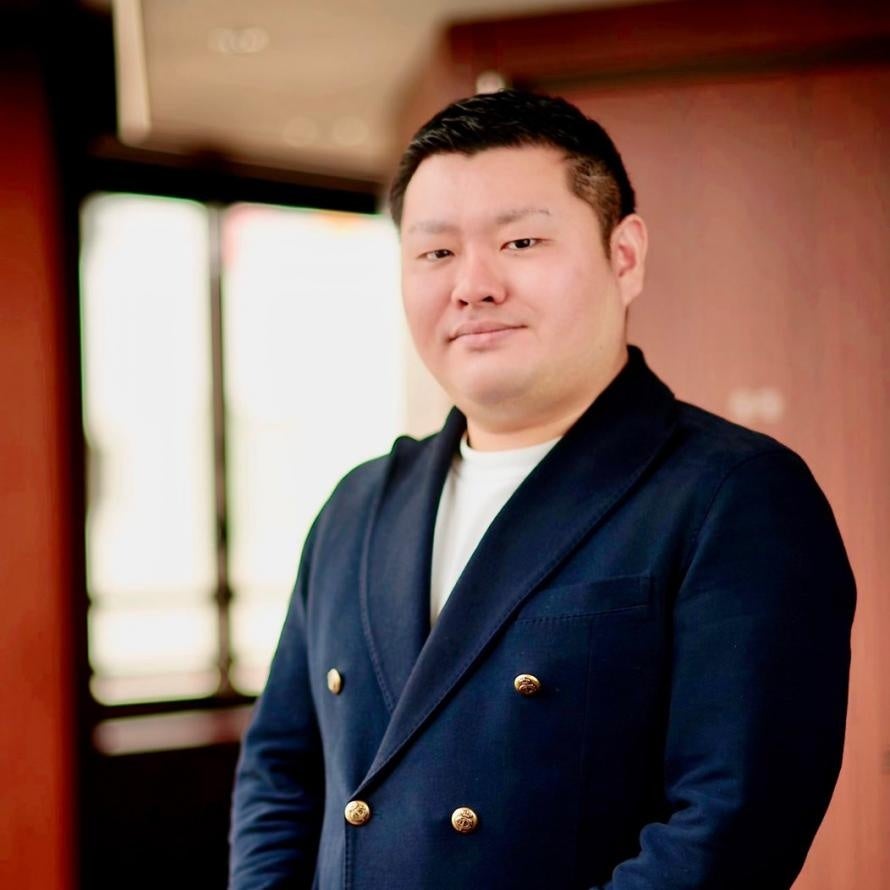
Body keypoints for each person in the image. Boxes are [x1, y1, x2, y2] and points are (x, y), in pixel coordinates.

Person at [229, 90, 855, 890]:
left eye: (520, 241)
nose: (473, 285)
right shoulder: (358, 505)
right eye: (436, 253)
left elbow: (728, 829)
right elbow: (280, 771)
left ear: (624, 256)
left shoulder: (734, 495)